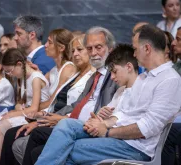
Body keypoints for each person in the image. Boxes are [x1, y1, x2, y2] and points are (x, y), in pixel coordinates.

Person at [34, 24, 181, 165]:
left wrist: (108, 131)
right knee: (67, 124)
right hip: (119, 136)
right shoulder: (144, 77)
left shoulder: (169, 80)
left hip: (136, 147)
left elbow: (147, 128)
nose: (134, 54)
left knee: (70, 148)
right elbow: (124, 113)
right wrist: (103, 123)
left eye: (136, 49)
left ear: (147, 48)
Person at [20, 43, 138, 165]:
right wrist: (101, 116)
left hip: (123, 140)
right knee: (66, 125)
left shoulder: (140, 88)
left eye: (114, 72)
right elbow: (110, 113)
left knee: (66, 148)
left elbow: (132, 121)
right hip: (102, 127)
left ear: (129, 67)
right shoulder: (120, 90)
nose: (112, 77)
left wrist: (104, 123)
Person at [0, 34, 96, 165]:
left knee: (30, 136)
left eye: (80, 49)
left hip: (68, 122)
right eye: (73, 50)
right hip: (55, 116)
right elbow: (57, 100)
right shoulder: (76, 74)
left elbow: (78, 106)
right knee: (13, 134)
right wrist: (43, 115)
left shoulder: (85, 74)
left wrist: (44, 117)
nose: (75, 54)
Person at [0, 28, 76, 165]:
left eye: (49, 42)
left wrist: (28, 110)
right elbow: (39, 84)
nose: (45, 45)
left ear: (61, 48)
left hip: (54, 114)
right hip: (42, 113)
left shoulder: (67, 68)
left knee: (10, 134)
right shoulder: (53, 70)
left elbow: (53, 100)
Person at [0, 48, 50, 165]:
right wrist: (18, 106)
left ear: (19, 64)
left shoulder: (35, 78)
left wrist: (13, 113)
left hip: (37, 116)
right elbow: (20, 101)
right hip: (26, 113)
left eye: (10, 71)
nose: (10, 75)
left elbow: (34, 108)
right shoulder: (22, 77)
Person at [162, 27, 181, 165]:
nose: (173, 43)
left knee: (168, 131)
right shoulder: (177, 66)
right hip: (175, 114)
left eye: (178, 39)